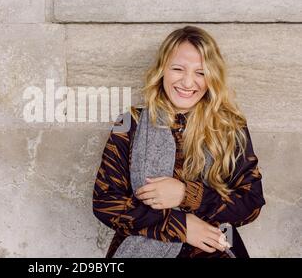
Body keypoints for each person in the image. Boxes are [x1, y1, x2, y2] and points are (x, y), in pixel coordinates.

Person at [92, 26, 266, 258]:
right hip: (141, 249)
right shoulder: (128, 123)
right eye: (178, 69)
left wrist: (188, 195)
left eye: (200, 73)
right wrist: (181, 226)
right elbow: (105, 202)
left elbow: (251, 204)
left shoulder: (231, 127)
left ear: (212, 77)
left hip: (215, 251)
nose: (187, 82)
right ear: (162, 70)